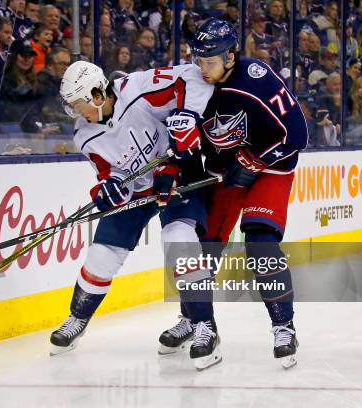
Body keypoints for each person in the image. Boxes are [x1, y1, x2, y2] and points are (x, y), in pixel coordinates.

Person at [52, 60, 218, 370]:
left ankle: (204, 326)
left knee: (179, 241)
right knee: (101, 255)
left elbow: (193, 77)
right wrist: (110, 189)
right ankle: (77, 319)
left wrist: (188, 117)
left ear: (98, 94)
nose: (76, 113)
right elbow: (107, 172)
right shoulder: (84, 136)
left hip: (176, 175)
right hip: (140, 190)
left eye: (79, 105)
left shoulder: (139, 89)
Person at [168, 18, 308, 369]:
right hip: (223, 173)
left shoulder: (256, 78)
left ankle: (283, 326)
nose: (202, 69)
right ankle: (197, 320)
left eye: (210, 62)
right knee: (198, 246)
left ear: (230, 56)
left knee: (260, 242)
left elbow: (297, 135)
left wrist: (255, 160)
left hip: (270, 169)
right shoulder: (192, 83)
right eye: (198, 60)